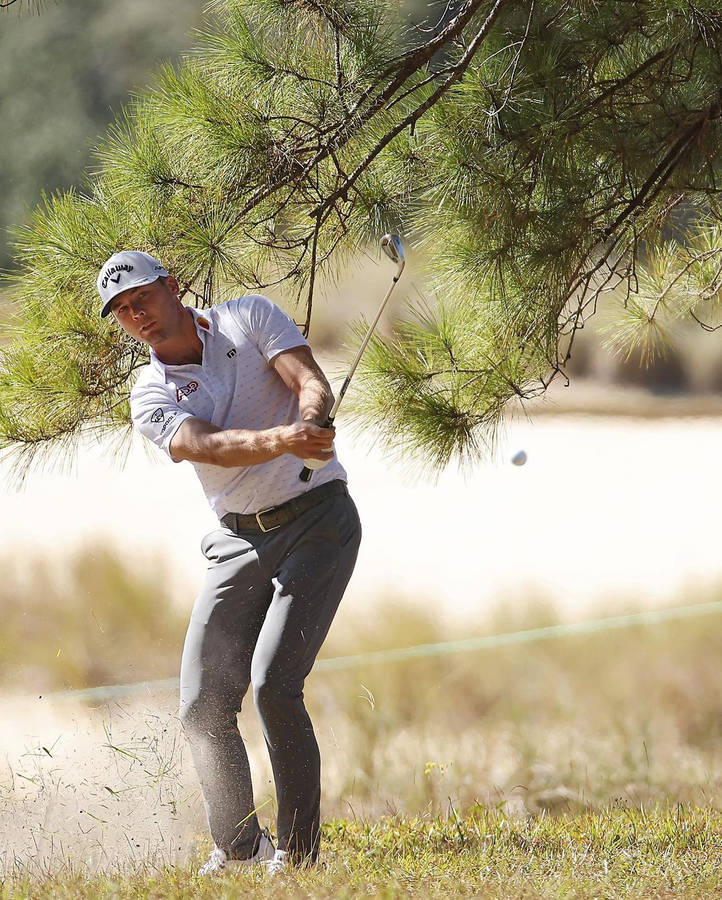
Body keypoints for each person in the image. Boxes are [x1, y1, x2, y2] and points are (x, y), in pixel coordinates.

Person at [96, 250, 362, 875]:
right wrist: (282, 440)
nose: (137, 316)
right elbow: (203, 446)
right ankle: (241, 847)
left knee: (274, 685)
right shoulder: (149, 392)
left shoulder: (248, 316)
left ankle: (298, 859)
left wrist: (314, 419)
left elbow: (309, 380)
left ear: (173, 285)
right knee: (202, 705)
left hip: (319, 519)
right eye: (124, 311)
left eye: (143, 298)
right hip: (237, 541)